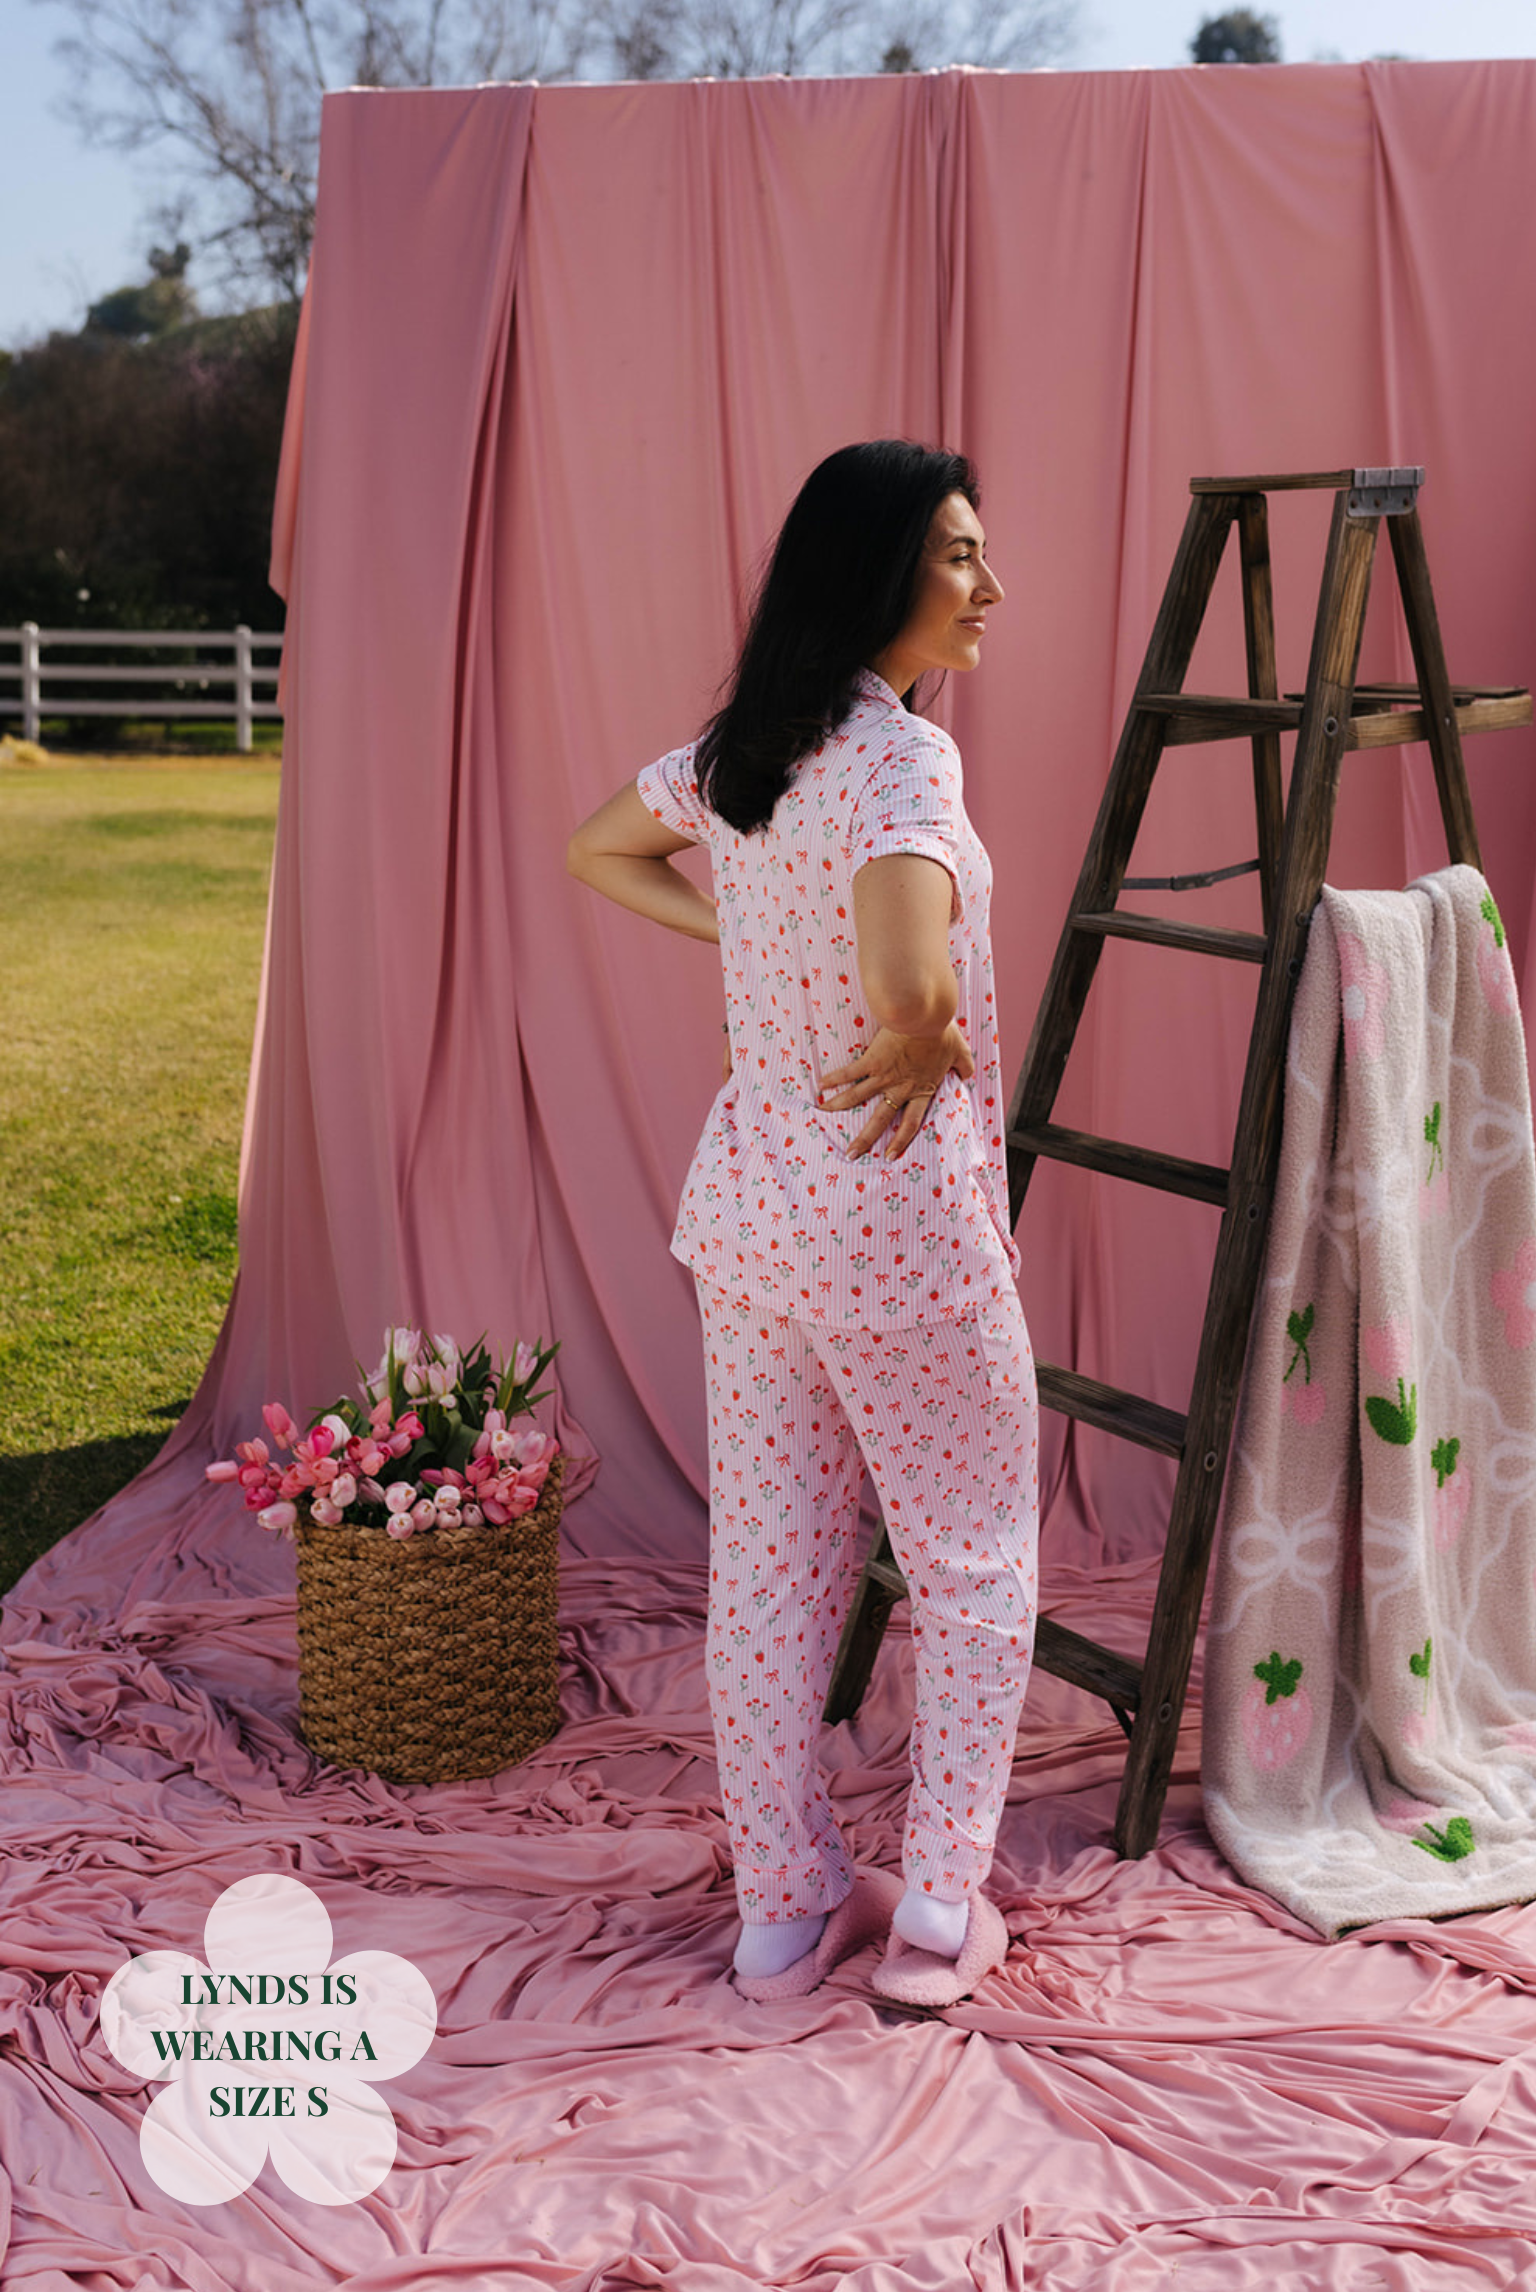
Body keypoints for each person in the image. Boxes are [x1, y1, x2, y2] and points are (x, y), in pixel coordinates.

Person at [567, 440, 1038, 2008]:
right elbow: (906, 985)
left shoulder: (748, 750)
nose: (988, 584)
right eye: (960, 554)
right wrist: (927, 1025)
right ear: (880, 570)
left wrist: (742, 937)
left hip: (755, 1222)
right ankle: (937, 1916)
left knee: (770, 1574)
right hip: (897, 1232)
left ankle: (781, 1910)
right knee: (971, 1565)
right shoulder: (906, 762)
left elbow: (597, 847)